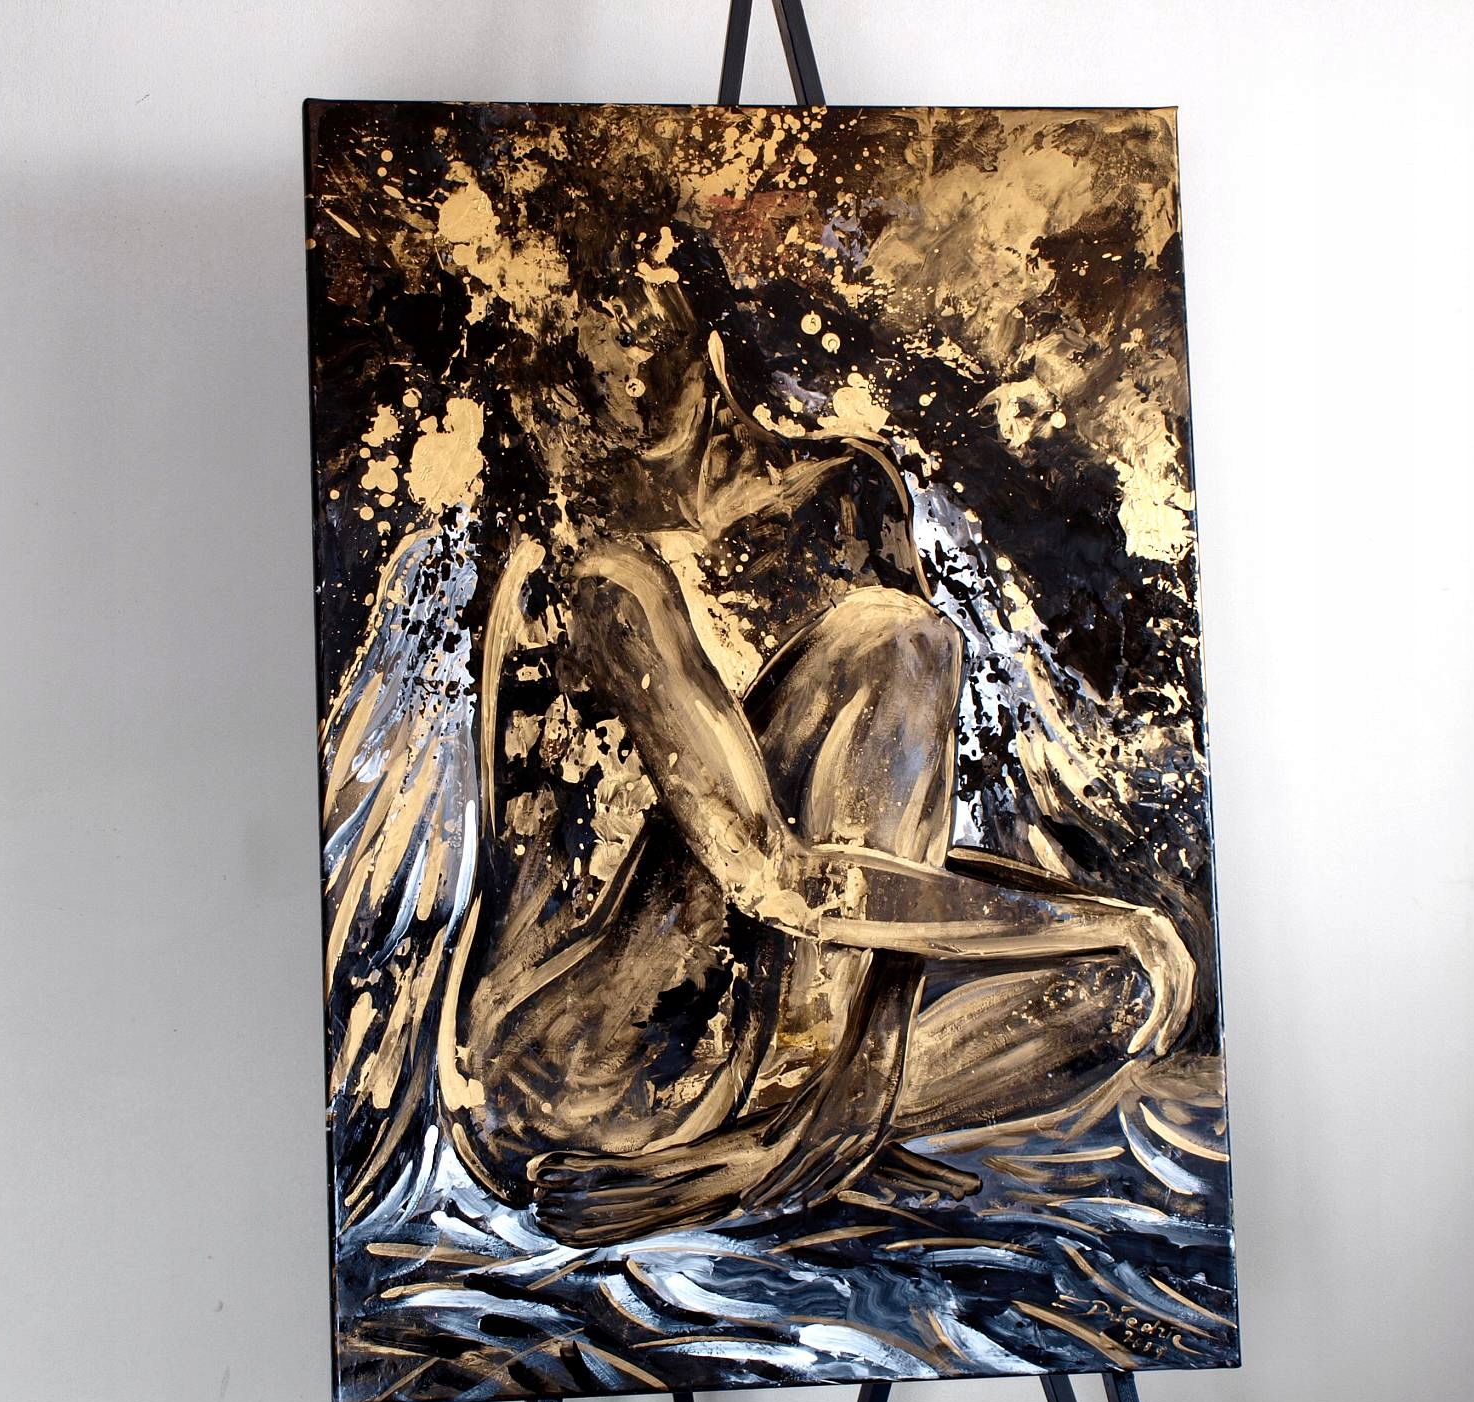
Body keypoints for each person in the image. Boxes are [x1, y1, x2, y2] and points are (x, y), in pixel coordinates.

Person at [432, 234, 1198, 1248]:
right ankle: (774, 1158)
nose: (616, 387)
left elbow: (892, 851)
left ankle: (777, 1151)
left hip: (703, 1051)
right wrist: (1081, 918)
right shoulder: (598, 575)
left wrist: (1089, 928)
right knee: (899, 640)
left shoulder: (836, 496)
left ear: (709, 354)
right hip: (559, 1081)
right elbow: (777, 882)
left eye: (644, 344)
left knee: (1121, 985)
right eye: (590, 370)